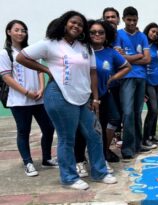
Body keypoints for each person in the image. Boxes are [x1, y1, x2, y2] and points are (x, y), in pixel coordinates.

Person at [16, 11, 117, 190]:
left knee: (95, 134)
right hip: (59, 95)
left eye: (80, 25)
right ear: (65, 23)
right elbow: (22, 56)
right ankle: (69, 177)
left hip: (84, 97)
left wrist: (95, 98)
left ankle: (100, 172)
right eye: (73, 22)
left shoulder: (85, 47)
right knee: (67, 138)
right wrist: (46, 70)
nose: (76, 26)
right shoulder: (50, 43)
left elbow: (93, 72)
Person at [0, 20, 57, 177]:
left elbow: (39, 71)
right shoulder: (5, 53)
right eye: (17, 30)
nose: (20, 33)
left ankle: (47, 159)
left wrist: (40, 89)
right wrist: (26, 93)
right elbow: (6, 77)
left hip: (38, 99)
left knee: (49, 128)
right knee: (23, 131)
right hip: (19, 101)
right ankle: (28, 163)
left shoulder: (30, 51)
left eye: (23, 30)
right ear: (9, 32)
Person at [89, 19, 131, 165]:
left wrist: (112, 78)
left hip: (104, 93)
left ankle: (104, 150)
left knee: (114, 119)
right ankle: (85, 158)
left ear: (106, 35)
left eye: (101, 32)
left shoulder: (110, 52)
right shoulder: (84, 51)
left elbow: (127, 67)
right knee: (92, 127)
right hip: (86, 97)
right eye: (93, 32)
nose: (97, 35)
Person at [114, 6, 151, 160]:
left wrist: (129, 56)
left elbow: (148, 59)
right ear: (123, 19)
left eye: (134, 20)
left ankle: (137, 144)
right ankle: (127, 148)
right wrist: (138, 56)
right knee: (127, 113)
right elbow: (118, 58)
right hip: (126, 77)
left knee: (137, 112)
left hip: (141, 78)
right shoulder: (118, 35)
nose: (131, 23)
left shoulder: (142, 36)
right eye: (129, 20)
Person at [142, 23, 158, 147]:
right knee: (153, 109)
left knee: (155, 110)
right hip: (148, 82)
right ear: (147, 31)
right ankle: (145, 138)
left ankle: (152, 136)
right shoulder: (143, 46)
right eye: (153, 31)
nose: (155, 34)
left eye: (157, 33)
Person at [102, 7, 123, 148]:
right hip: (104, 85)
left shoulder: (122, 36)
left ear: (118, 19)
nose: (110, 19)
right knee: (109, 117)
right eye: (107, 17)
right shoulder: (101, 37)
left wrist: (122, 55)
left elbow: (127, 62)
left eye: (113, 17)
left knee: (120, 113)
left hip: (121, 82)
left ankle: (116, 138)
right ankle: (104, 148)